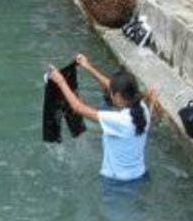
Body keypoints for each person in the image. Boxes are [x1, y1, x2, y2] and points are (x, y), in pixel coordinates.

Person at [47, 54, 159, 182]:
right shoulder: (142, 108)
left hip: (118, 182)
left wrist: (60, 81)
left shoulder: (119, 121)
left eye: (111, 93)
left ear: (117, 96)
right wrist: (87, 66)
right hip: (141, 175)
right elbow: (110, 86)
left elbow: (78, 108)